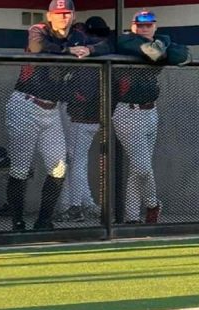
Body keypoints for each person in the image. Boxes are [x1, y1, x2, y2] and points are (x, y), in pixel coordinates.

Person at [5, 0, 108, 232]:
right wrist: (68, 50)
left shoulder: (78, 35)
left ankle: (44, 220)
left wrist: (89, 50)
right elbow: (37, 47)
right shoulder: (39, 29)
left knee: (59, 166)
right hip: (26, 104)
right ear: (49, 16)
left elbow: (106, 46)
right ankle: (17, 222)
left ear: (73, 15)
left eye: (67, 13)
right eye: (58, 13)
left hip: (51, 110)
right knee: (20, 168)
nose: (63, 17)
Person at [115, 9, 190, 224]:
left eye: (149, 25)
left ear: (155, 26)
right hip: (127, 111)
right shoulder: (126, 40)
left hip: (150, 112)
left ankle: (131, 218)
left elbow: (184, 55)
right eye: (141, 25)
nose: (145, 28)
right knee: (141, 167)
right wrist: (160, 51)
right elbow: (150, 53)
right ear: (134, 26)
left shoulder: (162, 40)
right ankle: (152, 204)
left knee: (138, 169)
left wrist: (162, 48)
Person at [57, 16, 112, 223]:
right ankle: (85, 202)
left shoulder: (89, 54)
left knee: (74, 162)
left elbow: (81, 93)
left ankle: (74, 206)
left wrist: (69, 95)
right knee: (77, 160)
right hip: (93, 117)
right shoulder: (104, 49)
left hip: (80, 116)